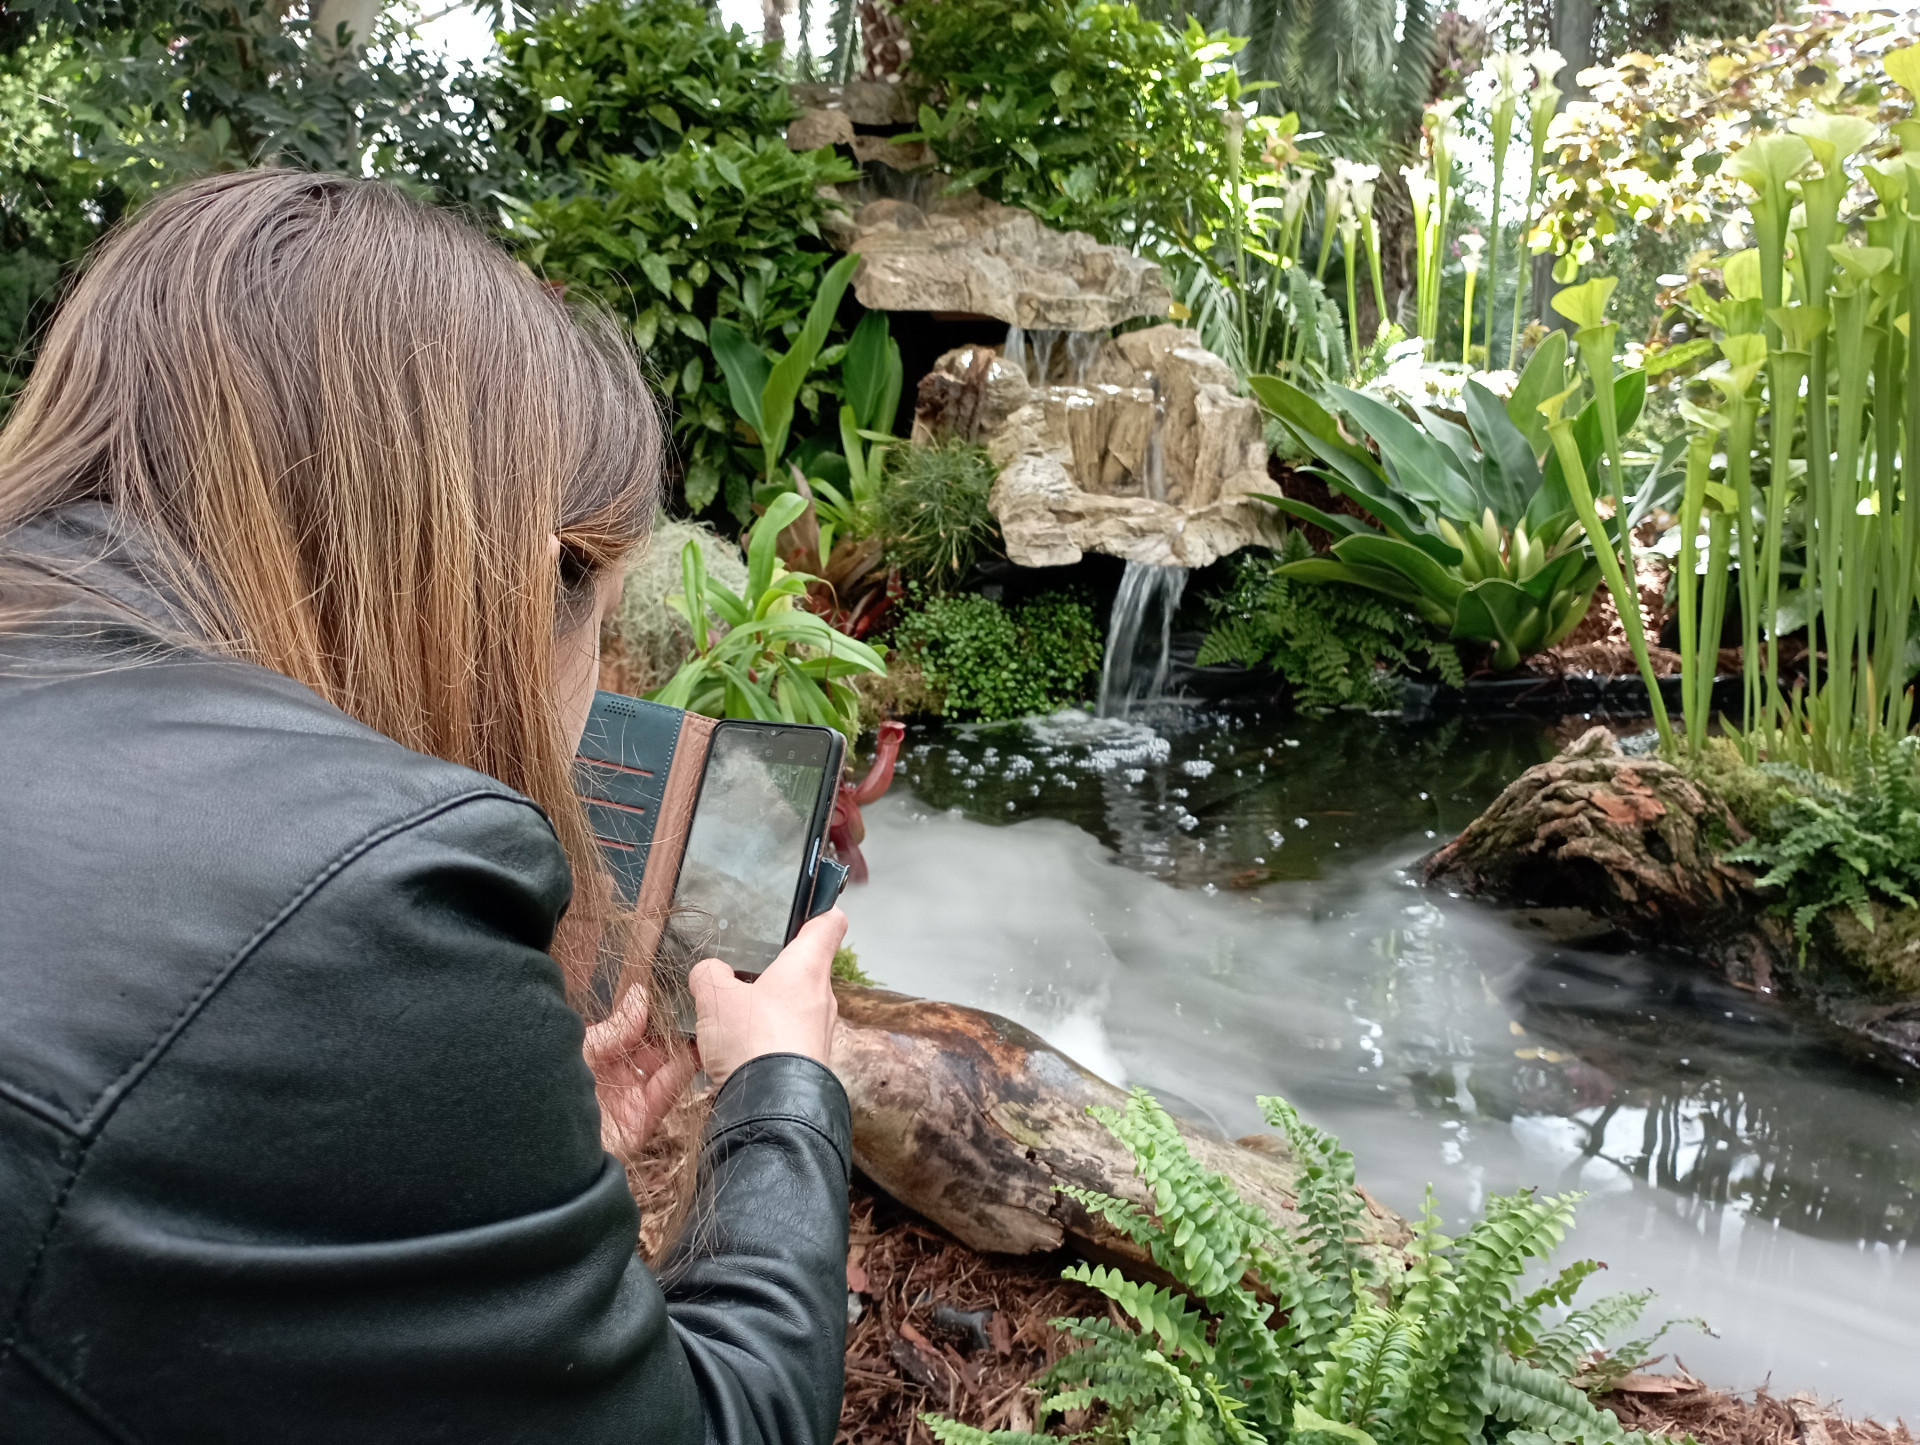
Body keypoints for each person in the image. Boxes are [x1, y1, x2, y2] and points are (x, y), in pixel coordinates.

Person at [0, 169, 851, 1443]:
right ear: (526, 576)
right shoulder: (372, 895)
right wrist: (781, 1084)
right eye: (603, 619)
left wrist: (481, 1172)